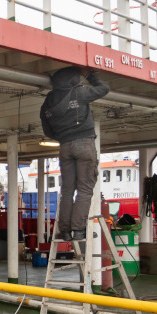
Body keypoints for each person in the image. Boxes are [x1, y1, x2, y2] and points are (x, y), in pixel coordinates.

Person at [40, 66, 110, 242]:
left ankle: (64, 231)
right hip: (84, 144)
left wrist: (64, 136)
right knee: (85, 189)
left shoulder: (48, 102)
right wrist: (89, 76)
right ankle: (78, 231)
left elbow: (48, 131)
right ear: (72, 79)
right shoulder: (79, 92)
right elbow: (104, 89)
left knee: (67, 190)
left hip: (64, 147)